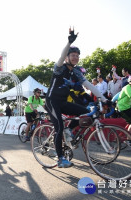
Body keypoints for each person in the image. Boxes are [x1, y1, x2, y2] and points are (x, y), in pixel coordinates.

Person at [45, 28, 106, 168]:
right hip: (51, 101)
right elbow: (60, 57)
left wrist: (103, 98)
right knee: (59, 127)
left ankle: (69, 130)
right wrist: (69, 42)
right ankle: (60, 159)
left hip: (63, 102)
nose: (75, 57)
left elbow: (89, 85)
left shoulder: (76, 72)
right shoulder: (59, 68)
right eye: (72, 55)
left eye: (77, 56)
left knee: (85, 112)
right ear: (67, 57)